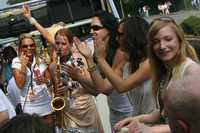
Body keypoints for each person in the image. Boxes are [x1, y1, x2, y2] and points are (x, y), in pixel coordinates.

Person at [114, 16, 200, 133]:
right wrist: (135, 119)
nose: (162, 46)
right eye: (156, 42)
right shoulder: (165, 71)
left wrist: (151, 129)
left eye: (168, 39)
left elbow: (194, 123)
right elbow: (164, 113)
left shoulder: (192, 71)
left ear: (179, 40)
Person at [75, 16, 156, 131]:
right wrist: (89, 58)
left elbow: (121, 87)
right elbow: (103, 87)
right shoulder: (126, 62)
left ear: (132, 35)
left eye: (120, 35)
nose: (117, 38)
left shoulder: (149, 63)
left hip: (150, 121)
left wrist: (101, 60)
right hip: (135, 119)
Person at [49, 28, 104, 132]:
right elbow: (57, 94)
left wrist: (78, 76)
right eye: (57, 43)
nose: (60, 47)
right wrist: (58, 92)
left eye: (64, 43)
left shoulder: (80, 59)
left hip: (86, 108)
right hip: (68, 111)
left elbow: (95, 87)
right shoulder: (53, 67)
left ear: (70, 44)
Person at [12, 33, 53, 126]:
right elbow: (20, 85)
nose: (29, 48)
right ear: (20, 48)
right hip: (29, 104)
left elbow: (50, 82)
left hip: (45, 100)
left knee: (50, 128)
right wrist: (23, 66)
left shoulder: (41, 60)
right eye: (25, 46)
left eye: (31, 45)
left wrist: (45, 81)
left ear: (35, 46)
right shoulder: (16, 62)